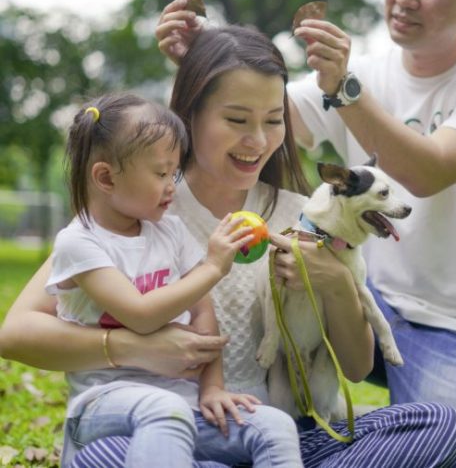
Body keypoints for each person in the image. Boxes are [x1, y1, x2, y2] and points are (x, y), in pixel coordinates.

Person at [0, 26, 456, 467]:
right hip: (171, 429)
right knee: (107, 455)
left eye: (273, 120)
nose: (258, 140)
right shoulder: (143, 209)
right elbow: (17, 333)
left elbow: (355, 367)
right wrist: (132, 347)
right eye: (236, 119)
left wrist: (334, 284)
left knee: (442, 427)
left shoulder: (309, 215)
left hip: (271, 434)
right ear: (189, 114)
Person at [285, 0, 456, 468]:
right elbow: (261, 130)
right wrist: (197, 63)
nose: (406, 0)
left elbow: (425, 171)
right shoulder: (361, 70)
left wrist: (342, 90)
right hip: (361, 291)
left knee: (453, 448)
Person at [46, 91, 303, 468]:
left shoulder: (170, 231)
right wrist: (213, 268)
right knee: (163, 409)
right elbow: (141, 315)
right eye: (161, 173)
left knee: (275, 426)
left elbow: (202, 314)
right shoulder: (79, 243)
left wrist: (213, 387)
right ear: (105, 177)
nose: (172, 185)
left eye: (174, 172)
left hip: (181, 404)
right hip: (105, 402)